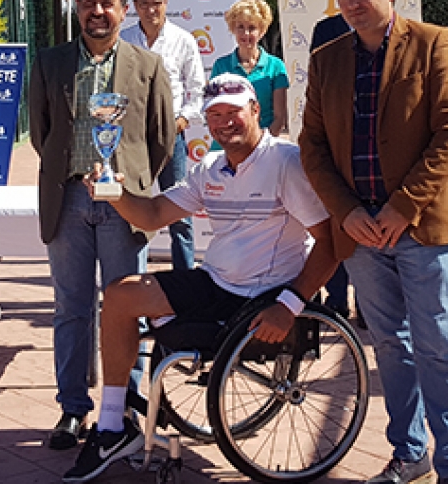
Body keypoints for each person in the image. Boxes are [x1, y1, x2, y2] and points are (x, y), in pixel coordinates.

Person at [63, 73, 335, 482]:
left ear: (255, 110)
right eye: (216, 115)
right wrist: (114, 194)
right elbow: (154, 214)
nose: (225, 123)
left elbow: (329, 243)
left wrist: (290, 305)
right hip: (215, 282)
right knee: (120, 297)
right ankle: (113, 425)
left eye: (234, 113)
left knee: (146, 308)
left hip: (264, 295)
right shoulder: (210, 166)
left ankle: (156, 359)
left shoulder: (285, 162)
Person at [299, 0, 448, 484]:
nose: (352, 2)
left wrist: (402, 207)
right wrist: (346, 212)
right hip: (362, 232)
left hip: (420, 226)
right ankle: (409, 452)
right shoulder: (326, 60)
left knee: (437, 347)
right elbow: (313, 148)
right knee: (391, 349)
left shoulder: (433, 43)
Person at [29, 0, 175, 451]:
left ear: (123, 8)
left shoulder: (148, 65)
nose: (97, 11)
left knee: (125, 306)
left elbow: (160, 139)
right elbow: (41, 133)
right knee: (71, 308)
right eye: (88, 1)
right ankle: (73, 409)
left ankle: (123, 407)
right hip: (68, 200)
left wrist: (128, 187)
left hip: (124, 207)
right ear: (77, 6)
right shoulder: (50, 62)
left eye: (107, 2)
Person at [122, 0, 205, 271]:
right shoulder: (124, 40)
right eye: (143, 4)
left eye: (156, 3)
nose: (150, 10)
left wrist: (181, 121)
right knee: (133, 211)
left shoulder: (183, 39)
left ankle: (186, 283)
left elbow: (197, 88)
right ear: (134, 5)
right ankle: (133, 277)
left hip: (173, 138)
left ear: (166, 3)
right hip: (132, 140)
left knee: (179, 213)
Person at [308, 13, 360, 325]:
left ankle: (366, 306)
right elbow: (320, 80)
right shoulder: (325, 29)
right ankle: (336, 299)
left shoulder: (389, 34)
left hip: (372, 149)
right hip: (335, 140)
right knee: (335, 223)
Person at [209, 0, 289, 139]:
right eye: (240, 27)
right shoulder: (220, 66)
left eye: (252, 28)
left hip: (264, 146)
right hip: (227, 143)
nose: (246, 34)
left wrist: (259, 145)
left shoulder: (276, 66)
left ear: (262, 31)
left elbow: (279, 117)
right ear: (233, 29)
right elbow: (214, 112)